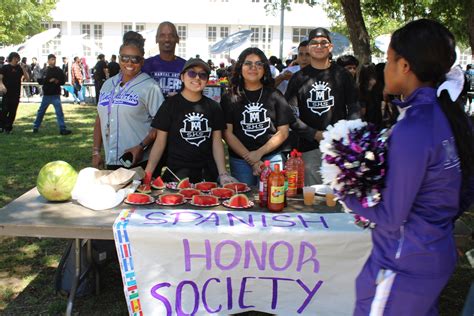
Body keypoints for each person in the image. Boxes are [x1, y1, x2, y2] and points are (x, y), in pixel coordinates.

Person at [340, 19, 474, 315]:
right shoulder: (451, 116)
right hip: (432, 251)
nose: (383, 68)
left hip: (402, 263)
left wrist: (346, 194)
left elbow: (391, 216)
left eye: (388, 60)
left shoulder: (414, 125)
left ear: (405, 66)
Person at [285, 27, 359, 185]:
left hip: (339, 147)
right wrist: (313, 133)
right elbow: (289, 114)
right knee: (313, 201)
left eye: (323, 43)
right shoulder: (298, 78)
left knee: (338, 198)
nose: (319, 46)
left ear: (330, 47)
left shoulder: (343, 75)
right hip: (309, 147)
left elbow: (354, 108)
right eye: (314, 43)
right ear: (308, 47)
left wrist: (345, 134)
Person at [144, 58, 235, 185]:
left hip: (207, 173)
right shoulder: (169, 105)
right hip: (176, 174)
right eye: (192, 73)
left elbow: (217, 142)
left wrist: (223, 174)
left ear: (207, 81)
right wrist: (147, 175)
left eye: (202, 75)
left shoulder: (214, 107)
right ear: (182, 77)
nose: (197, 78)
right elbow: (159, 143)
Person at [92, 31, 165, 171]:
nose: (129, 63)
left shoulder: (150, 87)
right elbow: (99, 118)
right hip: (111, 158)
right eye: (125, 58)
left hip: (138, 161)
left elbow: (160, 124)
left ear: (142, 61)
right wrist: (96, 151)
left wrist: (141, 146)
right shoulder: (108, 85)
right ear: (119, 59)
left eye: (135, 59)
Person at [221, 47, 293, 186]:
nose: (253, 67)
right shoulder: (229, 97)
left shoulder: (275, 95)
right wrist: (252, 159)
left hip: (271, 159)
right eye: (248, 63)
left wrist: (259, 153)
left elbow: (283, 132)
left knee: (274, 201)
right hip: (240, 160)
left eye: (259, 64)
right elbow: (227, 134)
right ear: (240, 67)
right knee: (244, 203)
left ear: (264, 68)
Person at [142, 21, 186, 98]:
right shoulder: (146, 65)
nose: (167, 39)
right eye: (162, 35)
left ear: (177, 39)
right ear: (156, 39)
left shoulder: (186, 66)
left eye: (171, 35)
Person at [33, 54, 71, 135]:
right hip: (46, 94)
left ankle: (62, 128)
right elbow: (39, 80)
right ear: (48, 61)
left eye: (54, 59)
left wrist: (57, 81)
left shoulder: (59, 70)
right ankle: (36, 126)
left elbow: (63, 80)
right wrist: (48, 80)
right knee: (41, 111)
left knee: (59, 112)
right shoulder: (45, 70)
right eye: (52, 59)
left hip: (55, 94)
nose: (53, 61)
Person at [0, 52, 29, 134]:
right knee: (4, 110)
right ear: (13, 58)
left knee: (13, 111)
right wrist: (1, 85)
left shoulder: (19, 68)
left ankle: (8, 128)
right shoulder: (5, 67)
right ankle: (2, 126)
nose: (18, 60)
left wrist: (23, 68)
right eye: (17, 58)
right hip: (7, 92)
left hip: (16, 93)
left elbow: (27, 78)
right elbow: (0, 78)